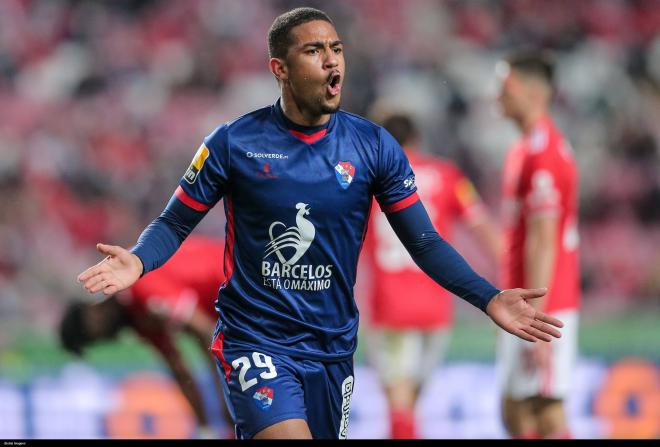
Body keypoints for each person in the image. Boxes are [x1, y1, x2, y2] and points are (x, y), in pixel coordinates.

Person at [76, 8, 563, 440]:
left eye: (336, 49)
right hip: (255, 340)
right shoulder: (233, 143)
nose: (333, 62)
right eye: (314, 51)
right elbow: (174, 222)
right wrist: (140, 260)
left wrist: (488, 297)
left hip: (332, 349)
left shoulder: (374, 147)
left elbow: (424, 241)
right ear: (280, 69)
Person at [360, 112, 502, 439]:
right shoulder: (447, 175)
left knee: (399, 402)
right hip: (435, 308)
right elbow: (484, 230)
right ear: (416, 140)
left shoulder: (367, 180)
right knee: (411, 401)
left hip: (390, 308)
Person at [61, 235, 229, 439]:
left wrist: (227, 403)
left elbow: (205, 331)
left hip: (239, 280)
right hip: (227, 304)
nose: (105, 340)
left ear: (95, 312)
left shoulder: (140, 287)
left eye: (94, 336)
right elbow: (180, 371)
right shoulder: (137, 316)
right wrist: (205, 430)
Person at [495, 51, 580, 439]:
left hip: (542, 306)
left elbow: (544, 241)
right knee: (515, 411)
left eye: (506, 87)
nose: (498, 95)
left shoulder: (543, 153)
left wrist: (538, 319)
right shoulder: (526, 148)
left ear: (532, 92)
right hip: (524, 301)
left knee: (545, 411)